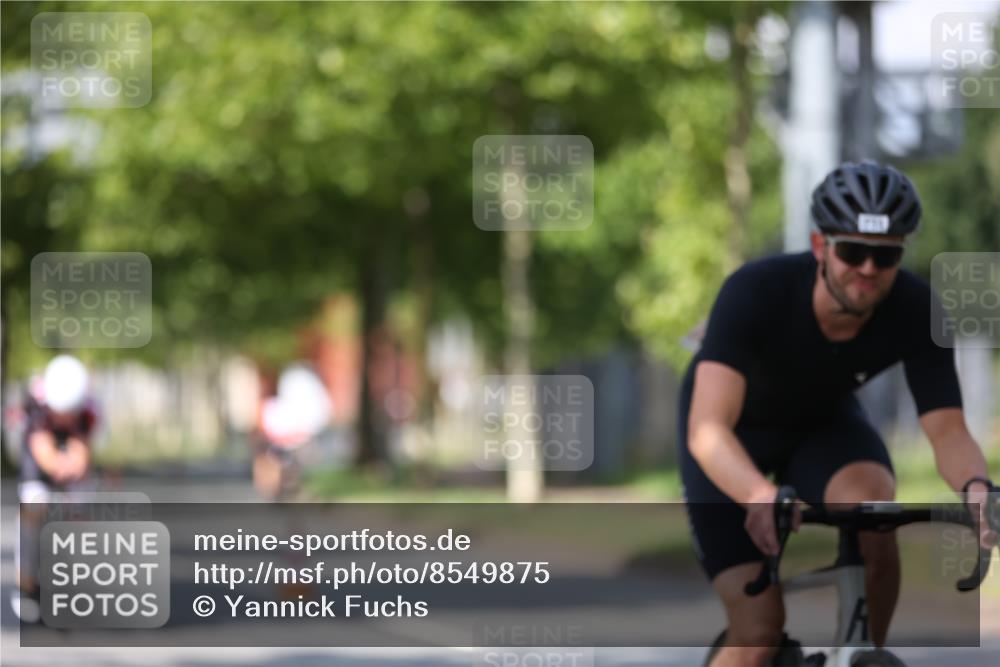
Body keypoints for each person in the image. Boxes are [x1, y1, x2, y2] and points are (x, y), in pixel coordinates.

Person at [678, 160, 995, 667]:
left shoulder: (918, 310)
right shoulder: (755, 290)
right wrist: (759, 495)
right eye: (853, 251)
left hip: (820, 425)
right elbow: (707, 429)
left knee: (874, 512)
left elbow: (948, 430)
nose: (868, 269)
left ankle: (861, 653)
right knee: (758, 630)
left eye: (885, 256)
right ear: (820, 245)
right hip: (731, 439)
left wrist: (978, 489)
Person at [13, 354, 98, 622]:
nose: (64, 417)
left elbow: (82, 456)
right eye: (60, 412)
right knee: (34, 506)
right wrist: (62, 465)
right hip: (38, 461)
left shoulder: (88, 410)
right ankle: (26, 582)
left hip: (70, 456)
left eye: (68, 413)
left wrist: (74, 468)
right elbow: (45, 457)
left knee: (80, 510)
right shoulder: (36, 405)